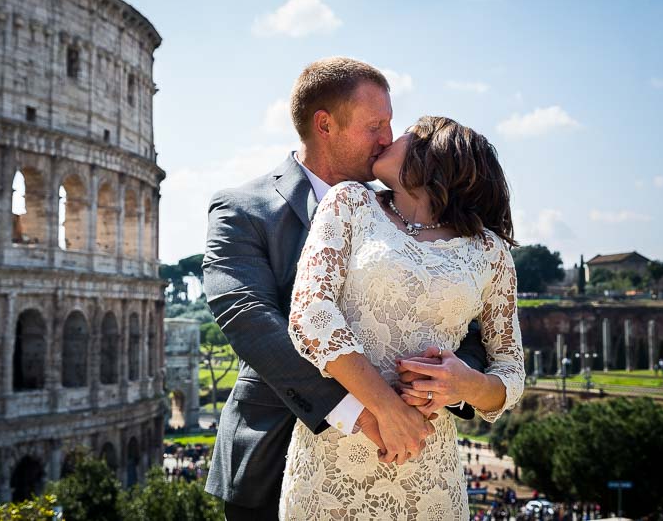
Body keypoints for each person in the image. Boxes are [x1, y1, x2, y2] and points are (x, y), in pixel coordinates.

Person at [202, 58, 490, 519]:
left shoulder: (413, 210)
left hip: (406, 456)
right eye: (376, 125)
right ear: (325, 125)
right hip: (272, 457)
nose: (388, 139)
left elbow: (470, 329)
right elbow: (249, 317)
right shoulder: (242, 208)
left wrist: (440, 387)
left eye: (391, 124)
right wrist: (365, 411)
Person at [281, 115, 525, 519]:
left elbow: (511, 370)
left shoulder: (491, 253)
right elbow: (310, 313)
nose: (388, 139)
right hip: (331, 463)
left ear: (433, 155)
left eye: (406, 132)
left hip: (428, 469)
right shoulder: (349, 202)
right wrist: (387, 411)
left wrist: (466, 383)